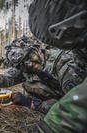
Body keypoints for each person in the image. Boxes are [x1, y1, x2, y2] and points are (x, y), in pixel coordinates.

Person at [29, 0, 87, 132]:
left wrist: (52, 126)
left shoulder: (62, 59)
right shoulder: (78, 48)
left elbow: (75, 92)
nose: (31, 64)